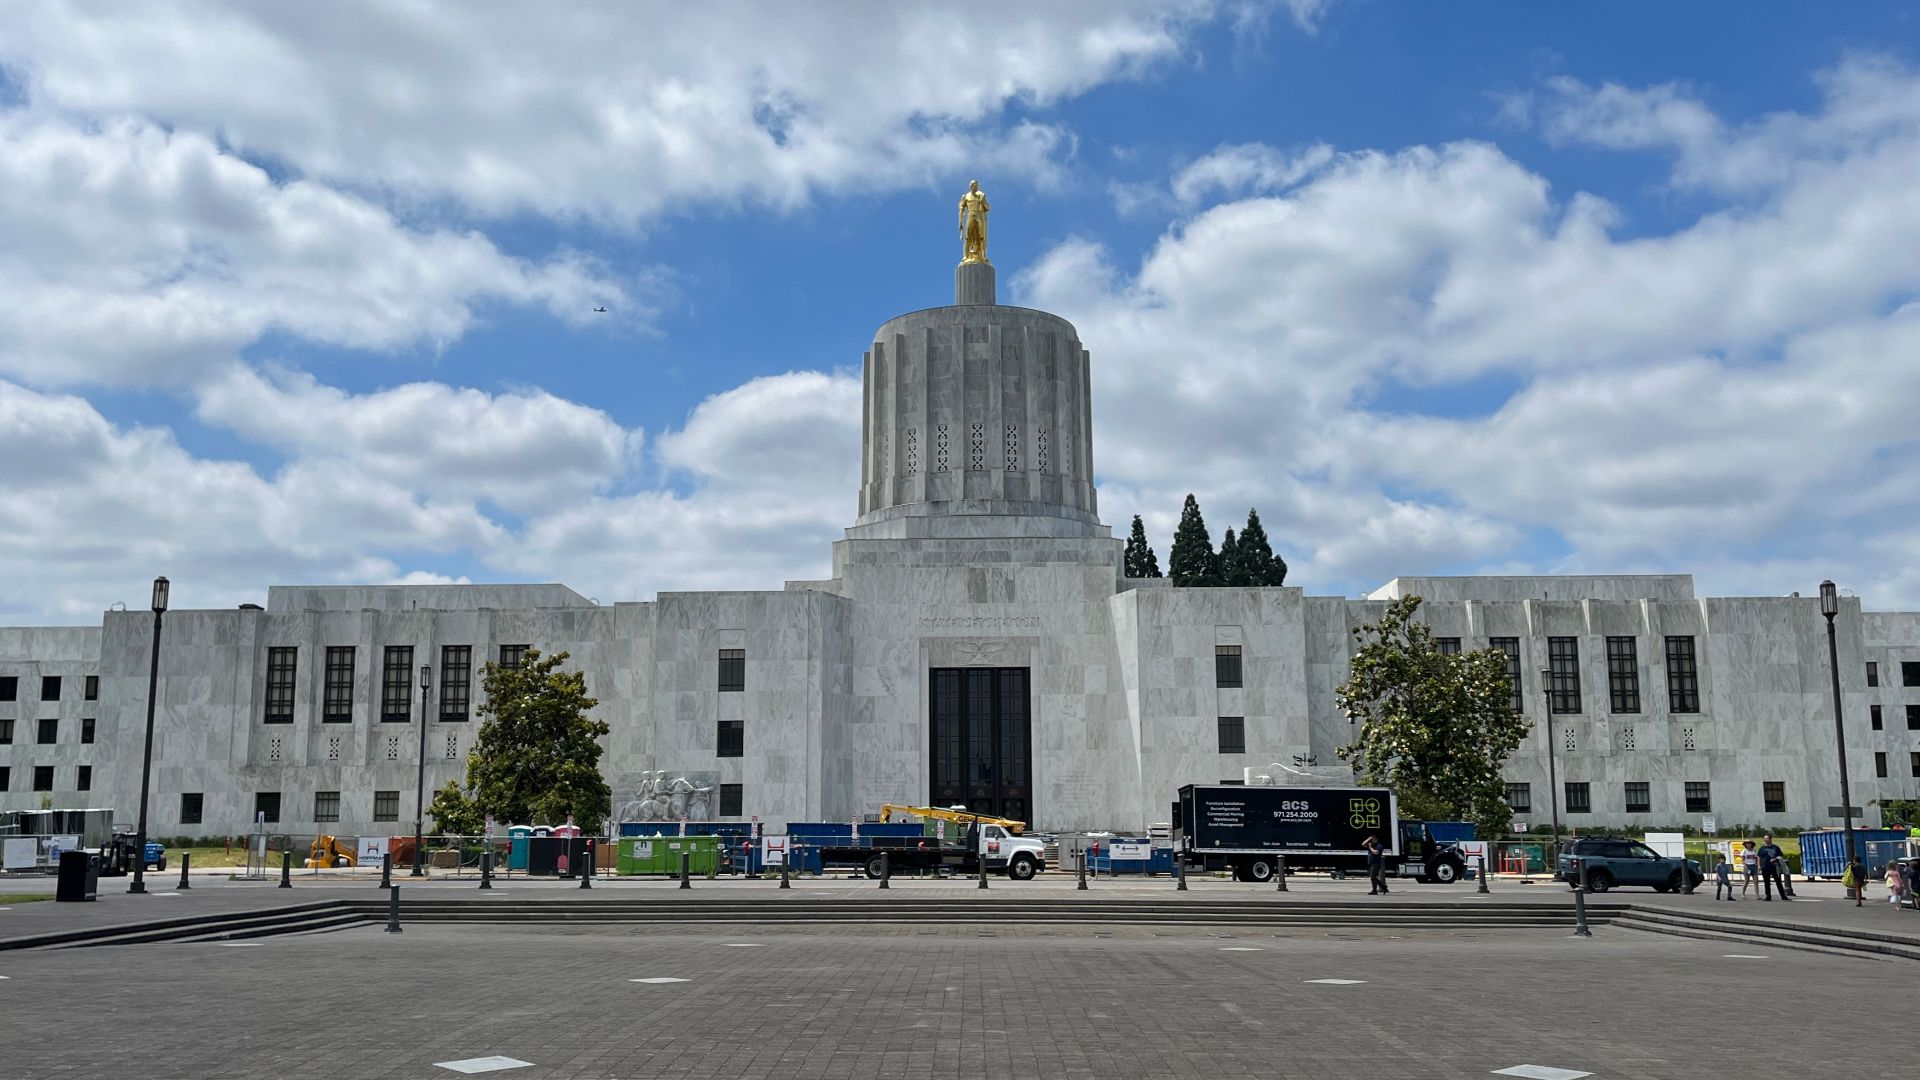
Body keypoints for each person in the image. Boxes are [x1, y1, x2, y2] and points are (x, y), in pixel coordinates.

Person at [1756, 834, 1790, 901]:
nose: (1766, 840)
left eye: (1767, 838)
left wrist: (1775, 859)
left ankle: (1783, 896)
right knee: (1767, 883)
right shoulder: (1762, 848)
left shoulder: (1775, 847)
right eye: (1764, 838)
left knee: (1778, 882)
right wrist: (1759, 866)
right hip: (1765, 867)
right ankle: (1768, 896)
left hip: (1775, 867)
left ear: (1771, 839)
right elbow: (1758, 857)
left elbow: (1780, 856)